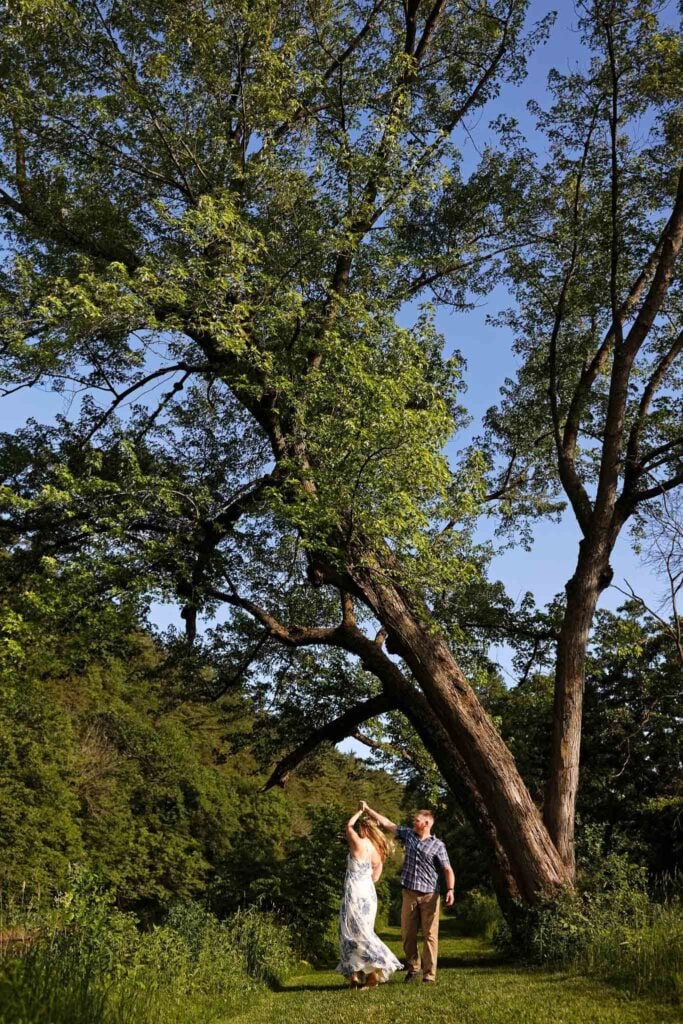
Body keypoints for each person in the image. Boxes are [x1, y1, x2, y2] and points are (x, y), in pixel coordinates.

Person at [360, 801, 454, 984]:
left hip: (430, 896)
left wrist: (450, 889)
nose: (414, 822)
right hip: (409, 893)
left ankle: (429, 974)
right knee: (407, 934)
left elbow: (448, 869)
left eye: (417, 820)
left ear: (426, 824)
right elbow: (387, 824)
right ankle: (413, 968)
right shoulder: (409, 835)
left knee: (430, 936)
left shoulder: (438, 846)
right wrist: (368, 810)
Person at [335, 806, 402, 989]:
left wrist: (359, 811)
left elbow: (348, 826)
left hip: (354, 892)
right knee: (362, 932)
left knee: (350, 933)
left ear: (363, 829)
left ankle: (367, 976)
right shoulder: (377, 852)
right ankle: (357, 977)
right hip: (368, 893)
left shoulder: (358, 842)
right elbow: (375, 877)